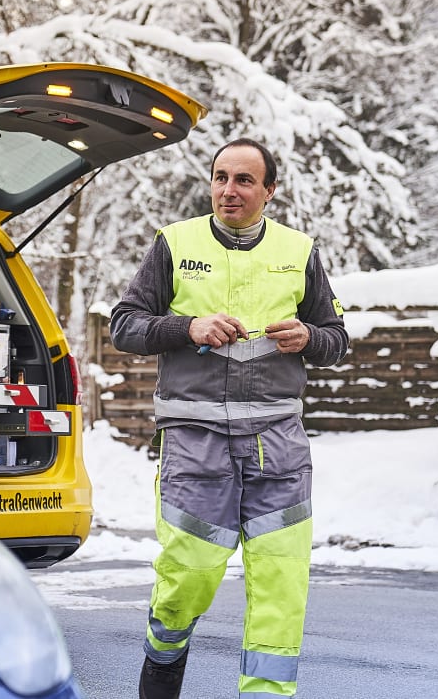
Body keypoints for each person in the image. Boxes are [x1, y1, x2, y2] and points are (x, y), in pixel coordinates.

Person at [110, 137, 349, 698]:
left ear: (270, 190)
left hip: (277, 443)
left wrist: (311, 337)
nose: (228, 190)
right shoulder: (174, 243)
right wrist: (185, 327)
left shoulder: (300, 251)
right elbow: (125, 325)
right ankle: (163, 663)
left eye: (244, 180)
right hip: (196, 439)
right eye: (220, 177)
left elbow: (338, 341)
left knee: (281, 584)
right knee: (188, 574)